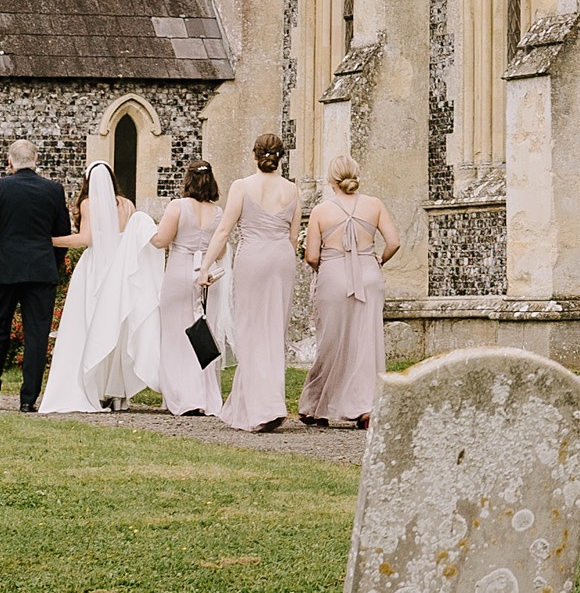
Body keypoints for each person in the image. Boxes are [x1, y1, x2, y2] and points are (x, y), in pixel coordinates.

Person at [195, 133, 302, 432]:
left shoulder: (241, 186)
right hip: (282, 259)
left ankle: (262, 408)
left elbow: (224, 231)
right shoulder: (293, 190)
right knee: (273, 330)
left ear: (255, 156)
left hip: (253, 257)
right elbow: (293, 237)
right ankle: (267, 403)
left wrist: (205, 266)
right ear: (281, 157)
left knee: (251, 329)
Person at [39, 160, 162, 413]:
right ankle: (117, 393)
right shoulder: (127, 204)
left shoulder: (88, 203)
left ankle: (91, 387)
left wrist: (48, 240)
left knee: (88, 326)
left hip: (96, 269)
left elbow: (84, 239)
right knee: (117, 328)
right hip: (122, 268)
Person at [0, 136, 70, 412]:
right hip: (41, 271)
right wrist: (51, 263)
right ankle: (28, 400)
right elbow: (62, 234)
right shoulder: (53, 190)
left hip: (4, 270)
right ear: (36, 162)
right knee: (37, 334)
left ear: (9, 162)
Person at [295, 154, 397, 430]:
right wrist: (378, 260)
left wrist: (325, 267)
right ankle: (367, 408)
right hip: (369, 275)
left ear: (331, 180)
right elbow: (394, 242)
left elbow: (312, 255)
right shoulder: (374, 205)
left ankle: (318, 407)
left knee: (331, 342)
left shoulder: (320, 211)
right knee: (367, 341)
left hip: (334, 276)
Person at [148, 160, 222, 417]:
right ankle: (204, 397)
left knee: (176, 335)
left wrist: (144, 231)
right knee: (200, 335)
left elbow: (161, 240)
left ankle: (184, 396)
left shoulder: (177, 207)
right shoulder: (218, 213)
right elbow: (221, 249)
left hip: (180, 272)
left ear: (187, 180)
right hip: (206, 274)